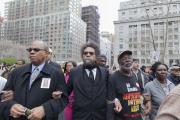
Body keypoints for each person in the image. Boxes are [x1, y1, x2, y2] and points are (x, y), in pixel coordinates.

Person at [0, 40, 68, 120]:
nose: (32, 52)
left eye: (36, 50)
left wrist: (45, 109)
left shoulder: (56, 74)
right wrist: (11, 106)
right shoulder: (16, 72)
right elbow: (4, 98)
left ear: (46, 53)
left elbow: (63, 99)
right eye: (30, 50)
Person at [67, 43, 109, 120]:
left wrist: (115, 100)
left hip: (100, 116)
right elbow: (66, 92)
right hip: (80, 116)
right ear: (82, 56)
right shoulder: (74, 72)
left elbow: (110, 92)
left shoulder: (105, 72)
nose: (88, 55)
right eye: (85, 53)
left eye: (91, 53)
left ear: (96, 56)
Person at [107, 50, 143, 120]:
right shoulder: (113, 78)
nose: (127, 60)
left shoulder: (135, 76)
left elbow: (138, 94)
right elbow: (110, 101)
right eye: (123, 59)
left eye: (129, 58)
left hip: (137, 117)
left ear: (132, 61)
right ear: (119, 63)